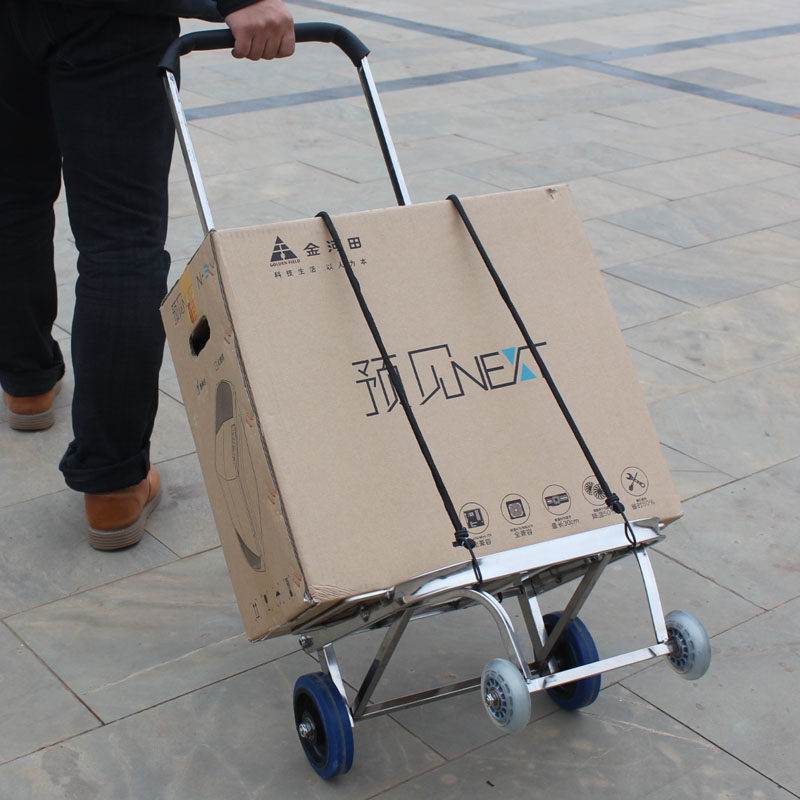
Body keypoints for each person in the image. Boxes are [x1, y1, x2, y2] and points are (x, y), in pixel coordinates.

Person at [0, 0, 294, 549]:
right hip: (107, 19)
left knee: (12, 199)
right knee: (120, 240)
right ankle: (113, 484)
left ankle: (27, 383)